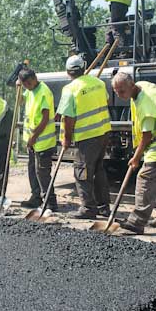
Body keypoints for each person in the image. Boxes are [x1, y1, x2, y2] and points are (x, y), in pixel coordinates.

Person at [111, 72, 156, 234]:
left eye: (122, 91)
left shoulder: (146, 104)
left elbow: (147, 135)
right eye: (116, 91)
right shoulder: (140, 87)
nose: (119, 95)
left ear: (132, 86)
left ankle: (136, 222)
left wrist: (136, 157)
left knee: (146, 179)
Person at [56, 55, 112, 219]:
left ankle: (88, 208)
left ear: (68, 72)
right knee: (98, 169)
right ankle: (103, 207)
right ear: (84, 67)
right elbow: (105, 102)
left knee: (82, 171)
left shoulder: (70, 89)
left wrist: (66, 138)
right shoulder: (99, 83)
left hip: (87, 136)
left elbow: (68, 117)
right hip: (104, 132)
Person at [18, 68, 58, 211]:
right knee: (32, 170)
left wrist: (34, 137)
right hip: (33, 141)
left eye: (29, 82)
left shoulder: (43, 91)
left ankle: (50, 203)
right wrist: (16, 89)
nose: (28, 86)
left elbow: (45, 118)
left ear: (35, 78)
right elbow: (20, 101)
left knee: (42, 173)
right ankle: (36, 198)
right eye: (25, 85)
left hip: (43, 141)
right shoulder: (29, 91)